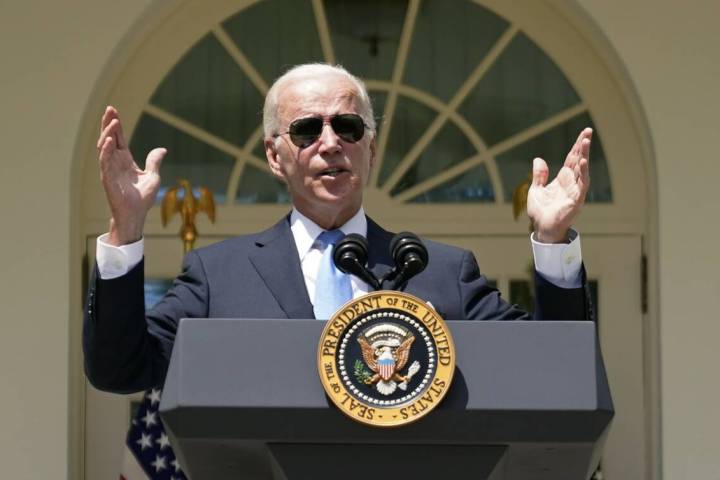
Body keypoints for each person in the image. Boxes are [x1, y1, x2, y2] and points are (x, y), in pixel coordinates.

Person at [84, 63, 592, 394]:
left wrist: (550, 243)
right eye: (307, 129)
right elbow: (121, 370)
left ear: (370, 150)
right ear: (274, 156)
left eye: (348, 128)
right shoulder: (220, 275)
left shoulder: (439, 271)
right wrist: (126, 229)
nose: (330, 144)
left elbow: (553, 373)